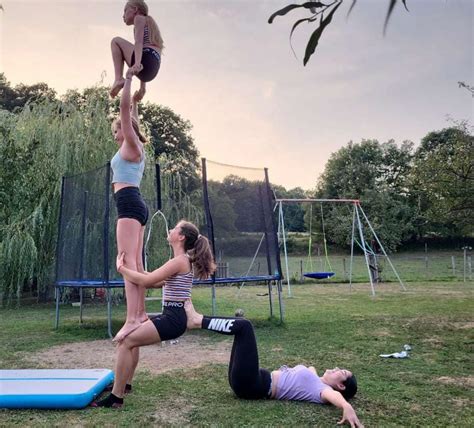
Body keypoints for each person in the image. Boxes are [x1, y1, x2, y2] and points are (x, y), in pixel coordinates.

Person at [92, 220, 216, 408]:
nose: (170, 230)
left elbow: (146, 281)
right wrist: (146, 276)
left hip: (173, 319)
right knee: (132, 341)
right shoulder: (181, 262)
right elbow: (154, 279)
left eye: (174, 228)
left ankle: (116, 398)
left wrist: (122, 269)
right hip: (173, 317)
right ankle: (125, 385)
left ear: (181, 237)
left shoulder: (179, 261)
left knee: (126, 342)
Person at [184, 301, 364, 428]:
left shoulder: (323, 391)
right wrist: (314, 372)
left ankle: (197, 321)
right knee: (240, 328)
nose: (336, 368)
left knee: (244, 326)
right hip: (248, 382)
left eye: (341, 371)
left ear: (340, 385)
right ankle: (197, 320)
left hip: (252, 385)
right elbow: (311, 371)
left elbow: (335, 398)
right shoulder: (316, 380)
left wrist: (347, 407)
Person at [110, 0, 163, 98]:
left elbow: (138, 43)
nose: (123, 15)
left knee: (115, 41)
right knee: (139, 52)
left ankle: (118, 79)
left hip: (145, 60)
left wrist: (137, 64)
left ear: (135, 9)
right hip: (152, 69)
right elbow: (145, 53)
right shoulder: (150, 24)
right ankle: (141, 89)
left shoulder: (139, 18)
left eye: (125, 11)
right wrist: (142, 88)